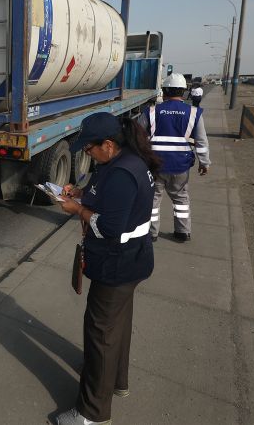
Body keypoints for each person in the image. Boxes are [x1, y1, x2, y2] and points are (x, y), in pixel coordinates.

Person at [53, 112, 159, 425]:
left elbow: (110, 226)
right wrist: (81, 193)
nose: (87, 153)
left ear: (109, 145)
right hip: (131, 261)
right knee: (118, 325)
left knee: (99, 333)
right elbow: (104, 196)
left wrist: (78, 209)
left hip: (119, 263)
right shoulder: (116, 163)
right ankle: (116, 381)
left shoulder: (122, 173)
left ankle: (92, 414)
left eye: (89, 148)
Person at [138, 73, 211, 242]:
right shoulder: (193, 113)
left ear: (164, 91)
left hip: (155, 165)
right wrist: (204, 162)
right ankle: (182, 232)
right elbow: (201, 141)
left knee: (153, 200)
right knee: (181, 199)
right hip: (180, 166)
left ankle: (152, 234)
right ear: (184, 92)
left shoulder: (151, 111)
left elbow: (139, 137)